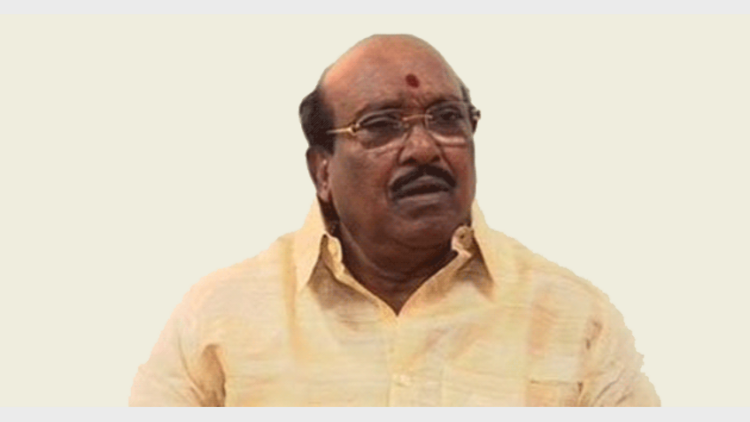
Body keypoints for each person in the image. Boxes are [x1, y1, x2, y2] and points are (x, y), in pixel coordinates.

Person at [129, 34, 660, 407]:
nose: (425, 148)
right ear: (322, 172)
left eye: (447, 118)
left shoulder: (574, 319)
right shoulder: (221, 319)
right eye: (380, 125)